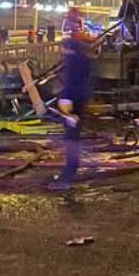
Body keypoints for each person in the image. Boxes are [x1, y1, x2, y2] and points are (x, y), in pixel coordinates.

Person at [49, 28, 94, 191]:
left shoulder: (72, 60)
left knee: (71, 138)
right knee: (72, 136)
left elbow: (71, 83)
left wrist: (65, 101)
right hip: (80, 99)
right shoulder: (84, 59)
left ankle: (67, 177)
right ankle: (69, 172)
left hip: (71, 102)